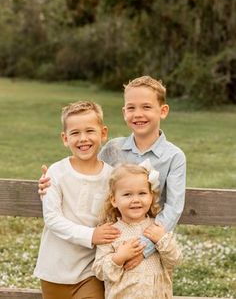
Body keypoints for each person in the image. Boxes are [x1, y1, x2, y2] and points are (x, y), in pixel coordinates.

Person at [38, 75, 186, 266]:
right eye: (131, 108)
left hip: (152, 247)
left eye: (146, 107)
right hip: (113, 245)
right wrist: (48, 186)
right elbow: (88, 175)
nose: (138, 114)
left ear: (163, 111)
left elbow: (173, 209)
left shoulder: (174, 157)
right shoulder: (113, 149)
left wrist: (144, 248)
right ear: (124, 112)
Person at [34, 101, 120, 299]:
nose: (83, 139)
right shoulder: (56, 173)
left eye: (90, 131)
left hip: (90, 271)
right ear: (65, 138)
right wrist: (91, 236)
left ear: (103, 133)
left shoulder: (112, 177)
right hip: (54, 270)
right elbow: (52, 219)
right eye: (75, 133)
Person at [92, 162, 182, 299]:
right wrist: (118, 258)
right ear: (114, 200)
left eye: (142, 193)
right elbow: (100, 271)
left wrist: (161, 240)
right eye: (127, 194)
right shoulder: (110, 232)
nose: (136, 200)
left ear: (151, 197)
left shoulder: (157, 228)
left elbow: (175, 260)